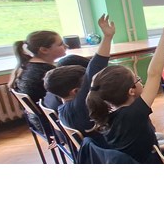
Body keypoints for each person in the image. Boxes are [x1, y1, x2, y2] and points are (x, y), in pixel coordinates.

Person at [87, 20, 164, 164]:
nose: (141, 82)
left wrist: (157, 148)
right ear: (131, 91)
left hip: (141, 157)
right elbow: (154, 74)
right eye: (137, 80)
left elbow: (130, 146)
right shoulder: (132, 114)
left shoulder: (108, 115)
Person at [43, 14, 115, 142]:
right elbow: (94, 68)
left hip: (91, 149)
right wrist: (107, 37)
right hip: (107, 150)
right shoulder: (80, 106)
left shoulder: (62, 109)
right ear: (75, 91)